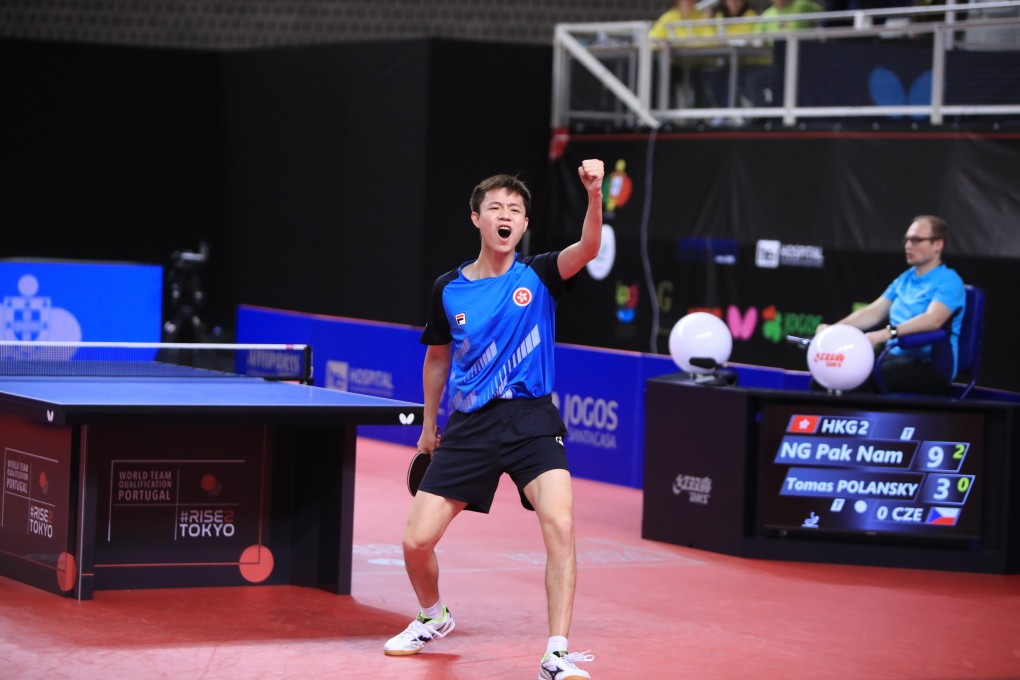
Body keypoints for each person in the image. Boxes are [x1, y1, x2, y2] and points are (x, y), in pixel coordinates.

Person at [383, 159, 606, 680]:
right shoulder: (449, 289)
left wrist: (594, 194)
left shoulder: (542, 275)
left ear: (524, 225)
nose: (506, 215)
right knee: (416, 541)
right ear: (477, 218)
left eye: (516, 210)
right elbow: (437, 357)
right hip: (471, 426)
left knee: (561, 526)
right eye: (496, 208)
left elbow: (589, 249)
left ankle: (556, 652)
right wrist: (428, 426)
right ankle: (433, 615)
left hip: (532, 420)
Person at [815, 215, 966, 394]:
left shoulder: (950, 281)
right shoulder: (905, 278)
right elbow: (874, 312)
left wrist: (888, 333)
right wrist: (834, 330)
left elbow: (933, 320)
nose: (908, 246)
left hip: (931, 367)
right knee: (824, 378)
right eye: (907, 240)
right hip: (894, 357)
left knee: (855, 381)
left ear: (938, 245)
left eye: (917, 240)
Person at [744, 0, 823, 107]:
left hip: (805, 64)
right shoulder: (767, 15)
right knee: (752, 79)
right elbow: (755, 39)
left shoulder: (802, 5)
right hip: (777, 64)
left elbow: (826, 16)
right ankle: (765, 116)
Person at [650, 0, 718, 108]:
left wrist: (707, 24)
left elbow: (711, 41)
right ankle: (669, 112)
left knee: (702, 79)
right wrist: (665, 45)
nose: (690, 3)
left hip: (697, 64)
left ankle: (699, 115)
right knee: (663, 76)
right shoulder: (669, 17)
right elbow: (652, 40)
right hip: (675, 64)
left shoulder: (701, 17)